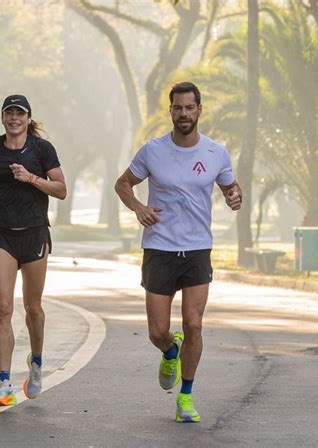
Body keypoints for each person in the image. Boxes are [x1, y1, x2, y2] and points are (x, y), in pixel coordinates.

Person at [115, 81, 242, 422]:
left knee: (194, 324)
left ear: (199, 110)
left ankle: (185, 396)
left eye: (189, 107)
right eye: (177, 108)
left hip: (198, 248)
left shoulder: (216, 153)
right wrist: (138, 207)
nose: (183, 113)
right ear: (170, 111)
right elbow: (122, 183)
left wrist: (234, 196)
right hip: (159, 248)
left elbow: (231, 186)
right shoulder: (152, 151)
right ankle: (170, 351)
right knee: (157, 330)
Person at [0, 94, 66, 407]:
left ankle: (36, 363)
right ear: (2, 118)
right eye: (9, 113)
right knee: (3, 307)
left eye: (20, 114)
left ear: (28, 118)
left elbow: (61, 190)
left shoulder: (42, 149)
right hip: (1, 233)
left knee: (33, 308)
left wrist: (31, 178)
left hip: (35, 235)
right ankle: (4, 384)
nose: (14, 119)